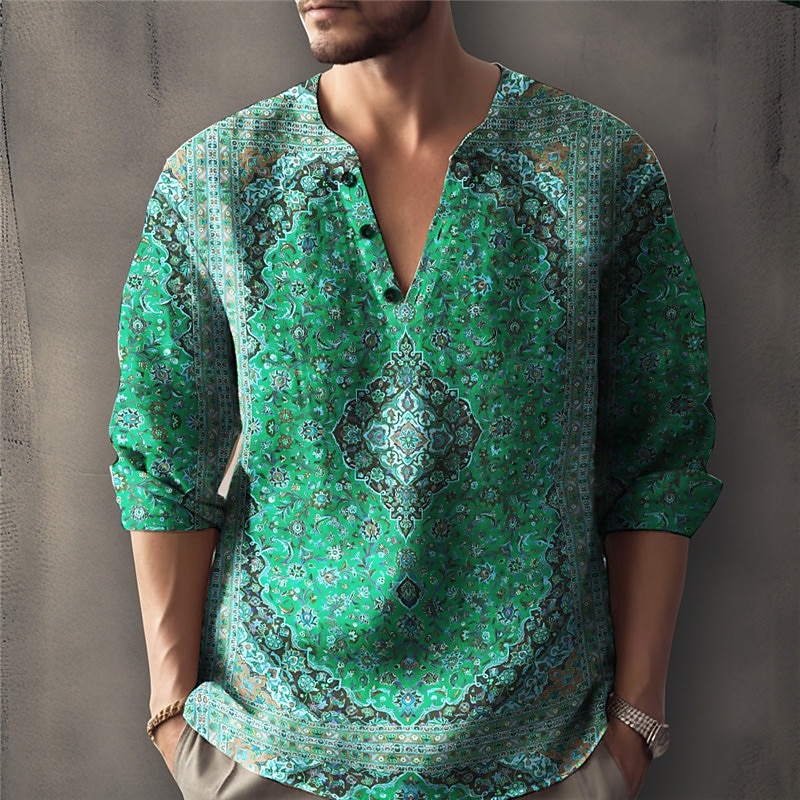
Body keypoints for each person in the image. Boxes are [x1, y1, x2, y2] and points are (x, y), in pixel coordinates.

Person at [109, 2, 722, 798]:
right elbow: (162, 454)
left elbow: (658, 456)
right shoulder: (215, 181)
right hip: (269, 756)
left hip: (546, 757)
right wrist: (171, 716)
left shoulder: (597, 170)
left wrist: (634, 727)